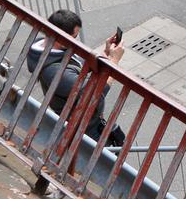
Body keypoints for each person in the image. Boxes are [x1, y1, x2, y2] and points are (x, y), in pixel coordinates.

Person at [27, 9, 125, 144]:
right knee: (107, 162)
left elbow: (79, 65)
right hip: (82, 131)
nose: (76, 40)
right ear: (61, 38)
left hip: (89, 123)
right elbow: (95, 93)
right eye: (74, 37)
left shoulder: (53, 49)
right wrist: (114, 62)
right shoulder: (55, 71)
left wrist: (106, 53)